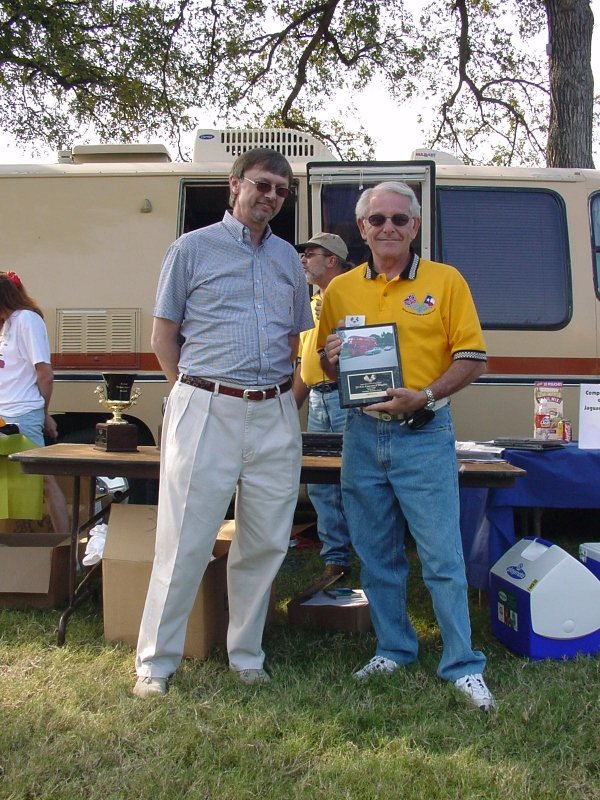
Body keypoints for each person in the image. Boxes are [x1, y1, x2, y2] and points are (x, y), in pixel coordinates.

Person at [134, 147, 313, 697]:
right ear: (234, 185)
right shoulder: (190, 249)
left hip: (275, 410)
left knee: (264, 541)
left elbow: (295, 340)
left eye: (281, 191)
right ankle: (156, 665)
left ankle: (247, 655)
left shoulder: (288, 259)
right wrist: (191, 394)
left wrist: (288, 399)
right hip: (205, 404)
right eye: (262, 185)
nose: (271, 197)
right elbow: (164, 338)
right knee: (185, 539)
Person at [317, 181, 495, 711]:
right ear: (363, 228)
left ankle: (463, 665)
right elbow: (328, 369)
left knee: (442, 556)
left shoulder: (446, 281)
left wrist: (425, 395)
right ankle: (394, 648)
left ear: (415, 227)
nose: (389, 228)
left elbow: (473, 358)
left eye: (400, 219)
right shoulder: (340, 290)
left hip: (424, 433)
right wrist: (329, 358)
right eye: (378, 220)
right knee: (376, 554)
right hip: (362, 435)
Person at [292, 233, 353, 587]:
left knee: (354, 481)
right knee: (319, 483)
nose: (303, 259)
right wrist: (289, 410)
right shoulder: (311, 302)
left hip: (345, 398)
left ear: (331, 260)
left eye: (310, 253)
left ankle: (365, 555)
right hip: (318, 397)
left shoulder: (350, 294)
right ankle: (336, 561)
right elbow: (305, 362)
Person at [0, 270, 69, 533]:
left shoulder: (27, 320)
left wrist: (43, 413)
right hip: (4, 413)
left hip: (22, 415)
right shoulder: (6, 324)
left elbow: (45, 374)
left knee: (45, 482)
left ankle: (66, 549)